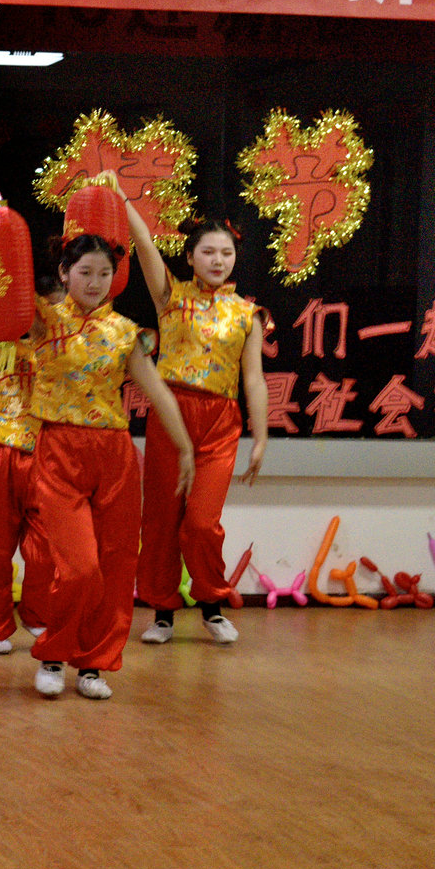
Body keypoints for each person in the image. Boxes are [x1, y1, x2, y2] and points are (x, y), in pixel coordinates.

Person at [24, 229, 194, 700]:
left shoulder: (124, 332)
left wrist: (185, 447)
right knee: (79, 567)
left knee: (116, 567)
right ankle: (54, 655)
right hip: (59, 451)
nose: (94, 282)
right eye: (85, 272)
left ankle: (94, 664)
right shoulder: (43, 319)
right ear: (64, 273)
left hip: (114, 454)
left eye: (104, 274)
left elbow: (157, 390)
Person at [126, 199, 272, 646]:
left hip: (219, 424)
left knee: (202, 523)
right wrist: (122, 200)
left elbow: (254, 380)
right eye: (208, 252)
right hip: (172, 417)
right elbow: (144, 243)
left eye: (226, 253)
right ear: (190, 257)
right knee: (161, 519)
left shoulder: (247, 314)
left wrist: (261, 439)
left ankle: (211, 604)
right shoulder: (170, 297)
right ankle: (162, 612)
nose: (217, 261)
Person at [0, 285, 56, 655]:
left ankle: (40, 614)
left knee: (49, 548)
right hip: (3, 450)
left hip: (52, 455)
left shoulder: (73, 346)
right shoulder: (1, 343)